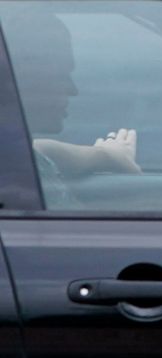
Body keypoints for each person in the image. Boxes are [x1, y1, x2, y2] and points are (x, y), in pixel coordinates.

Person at [2, 4, 140, 206]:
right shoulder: (14, 179)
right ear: (19, 78)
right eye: (62, 75)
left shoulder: (16, 156)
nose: (72, 89)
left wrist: (107, 155)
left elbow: (42, 150)